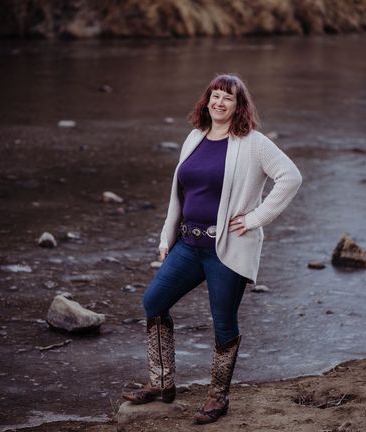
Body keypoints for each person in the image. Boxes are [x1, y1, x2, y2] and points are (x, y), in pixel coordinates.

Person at [122, 73, 302, 424]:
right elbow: (180, 194)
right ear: (207, 101)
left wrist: (255, 219)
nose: (219, 103)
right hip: (189, 245)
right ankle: (162, 383)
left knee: (223, 323)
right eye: (214, 96)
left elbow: (290, 177)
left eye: (227, 98)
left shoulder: (254, 143)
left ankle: (219, 397)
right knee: (154, 302)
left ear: (239, 106)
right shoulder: (194, 138)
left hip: (228, 248)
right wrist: (166, 237)